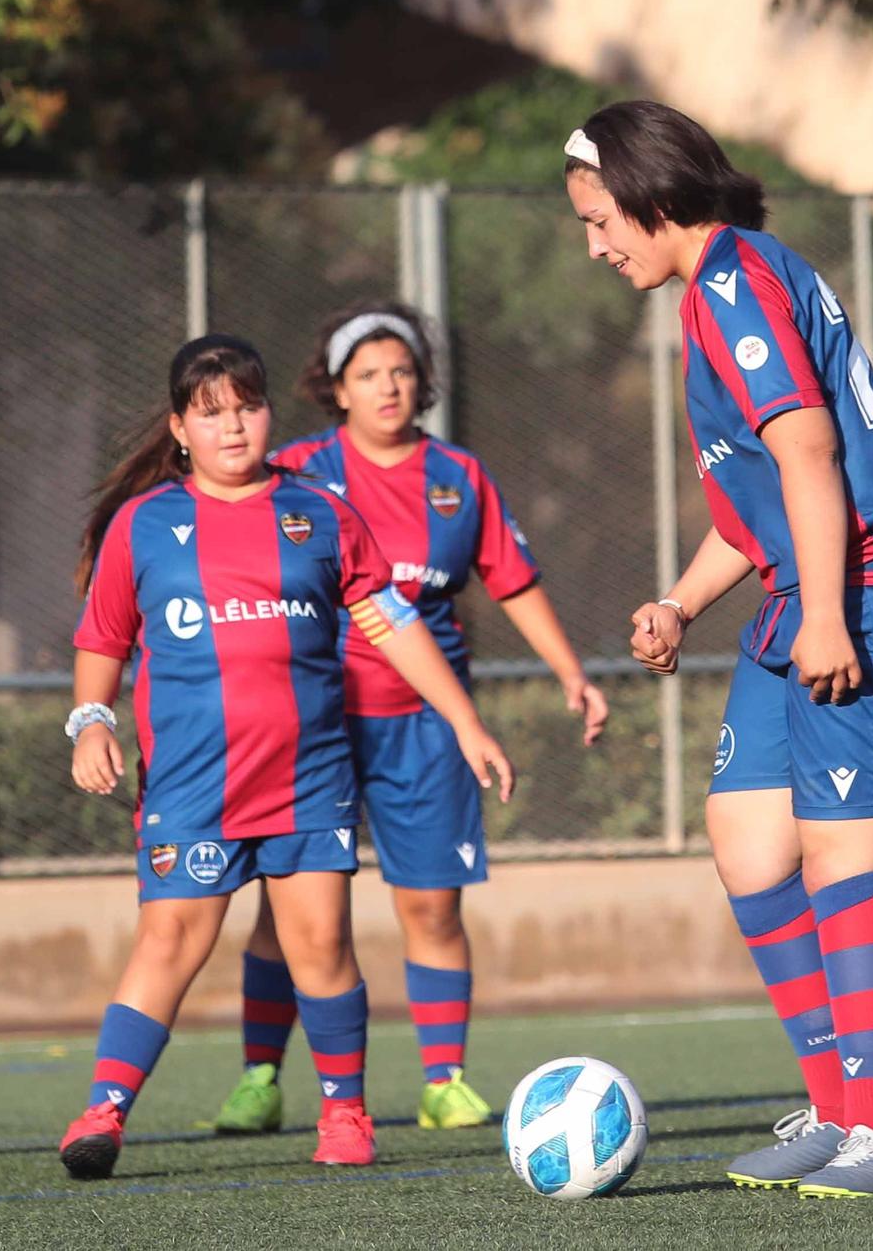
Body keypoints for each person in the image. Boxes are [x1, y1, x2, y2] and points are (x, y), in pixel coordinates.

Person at [563, 101, 873, 1198]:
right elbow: (766, 492)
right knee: (749, 839)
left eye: (601, 217)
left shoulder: (734, 283)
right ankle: (833, 1108)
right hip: (811, 580)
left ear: (656, 199)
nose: (594, 243)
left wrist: (830, 617)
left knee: (844, 851)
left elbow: (806, 455)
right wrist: (684, 598)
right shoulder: (719, 283)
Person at [60, 334, 515, 1179]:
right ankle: (104, 1111)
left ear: (269, 413)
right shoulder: (145, 523)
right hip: (194, 783)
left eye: (248, 406)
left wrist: (463, 720)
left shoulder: (320, 512)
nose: (234, 426)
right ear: (180, 428)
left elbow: (391, 620)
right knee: (169, 940)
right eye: (212, 412)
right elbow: (103, 637)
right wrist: (91, 719)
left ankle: (344, 1112)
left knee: (321, 943)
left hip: (308, 777)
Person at [210, 301, 610, 1136]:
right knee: (289, 913)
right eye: (368, 374)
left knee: (432, 906)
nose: (388, 387)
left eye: (401, 372)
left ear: (421, 383)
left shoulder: (459, 476)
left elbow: (514, 581)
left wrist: (571, 671)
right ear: (337, 390)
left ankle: (444, 1080)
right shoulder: (295, 471)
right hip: (312, 722)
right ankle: (259, 1077)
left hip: (427, 726)